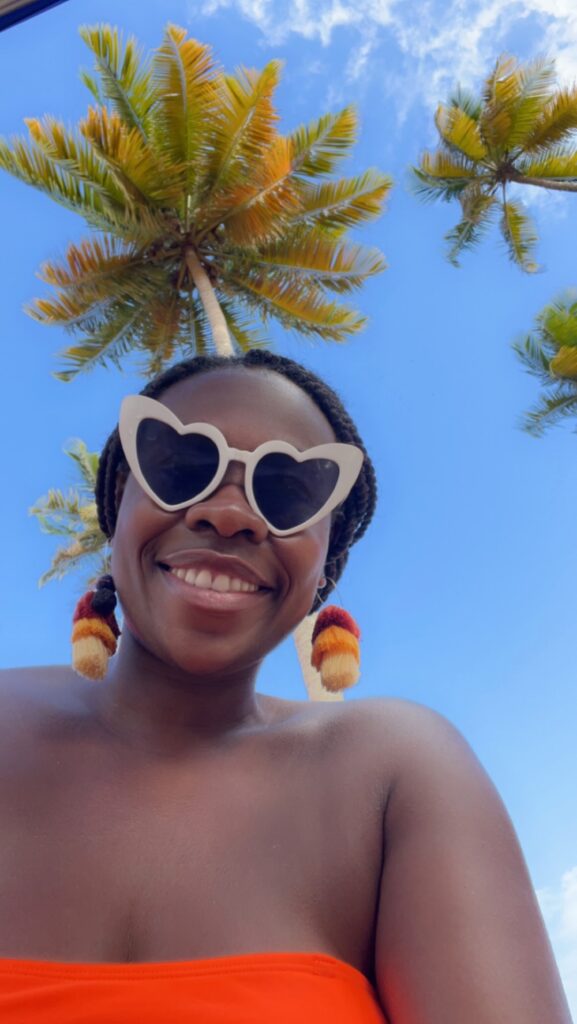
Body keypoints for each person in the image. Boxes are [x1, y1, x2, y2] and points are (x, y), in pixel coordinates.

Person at [0, 350, 571, 1024]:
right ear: (117, 503)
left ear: (325, 567)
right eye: (182, 466)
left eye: (289, 490)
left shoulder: (392, 773)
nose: (230, 513)